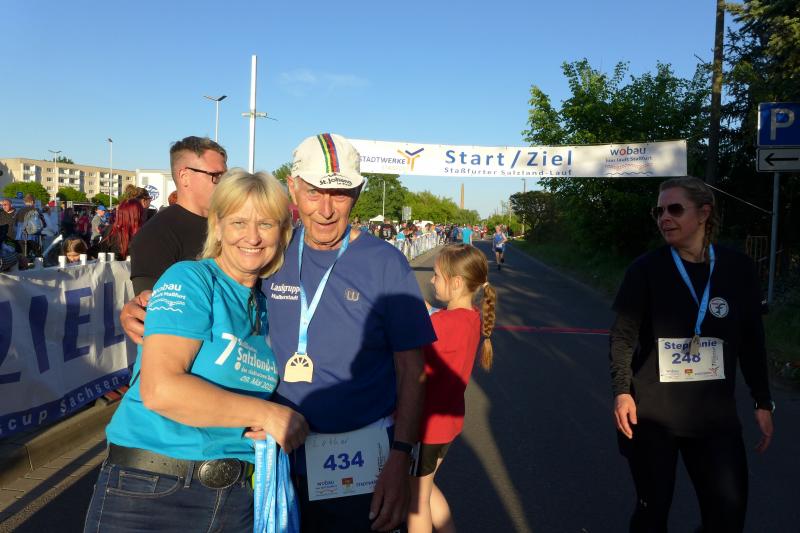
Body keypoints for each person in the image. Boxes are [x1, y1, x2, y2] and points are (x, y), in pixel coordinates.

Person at [83, 170, 308, 533]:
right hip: (151, 491)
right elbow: (161, 390)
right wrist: (268, 414)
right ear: (217, 226)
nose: (252, 236)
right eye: (239, 222)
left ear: (282, 233)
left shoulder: (268, 306)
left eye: (266, 224)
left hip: (236, 499)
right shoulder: (190, 278)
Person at [262, 133, 436, 533]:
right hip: (278, 456)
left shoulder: (385, 263)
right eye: (313, 192)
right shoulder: (270, 250)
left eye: (339, 195)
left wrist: (401, 457)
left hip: (360, 464)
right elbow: (215, 289)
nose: (325, 210)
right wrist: (150, 301)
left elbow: (413, 371)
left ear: (357, 194)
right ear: (292, 187)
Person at [609, 176, 774, 532]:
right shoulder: (645, 269)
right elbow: (622, 337)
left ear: (703, 213)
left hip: (714, 417)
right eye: (659, 211)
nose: (664, 218)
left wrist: (762, 400)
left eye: (674, 209)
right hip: (653, 415)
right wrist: (622, 392)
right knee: (652, 514)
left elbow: (752, 340)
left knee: (728, 515)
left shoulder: (738, 268)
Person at [408, 244, 496, 533]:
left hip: (426, 425)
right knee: (426, 488)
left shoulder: (441, 324)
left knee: (416, 501)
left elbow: (414, 354)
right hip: (448, 422)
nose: (432, 280)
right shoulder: (471, 316)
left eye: (436, 275)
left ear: (456, 282)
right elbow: (439, 318)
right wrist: (426, 308)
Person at [120, 136, 228, 343]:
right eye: (216, 176)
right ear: (185, 176)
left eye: (226, 175)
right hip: (194, 349)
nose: (224, 184)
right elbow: (155, 311)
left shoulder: (232, 223)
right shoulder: (156, 235)